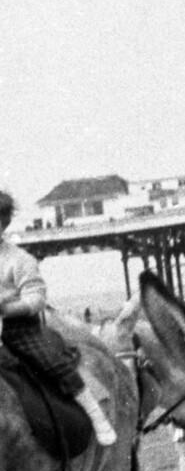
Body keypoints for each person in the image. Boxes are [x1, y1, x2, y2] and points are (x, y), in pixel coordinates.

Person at [0, 190, 117, 445]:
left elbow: (36, 298)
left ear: (3, 223)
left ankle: (96, 416)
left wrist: (6, 308)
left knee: (53, 363)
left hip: (17, 328)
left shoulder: (19, 260)